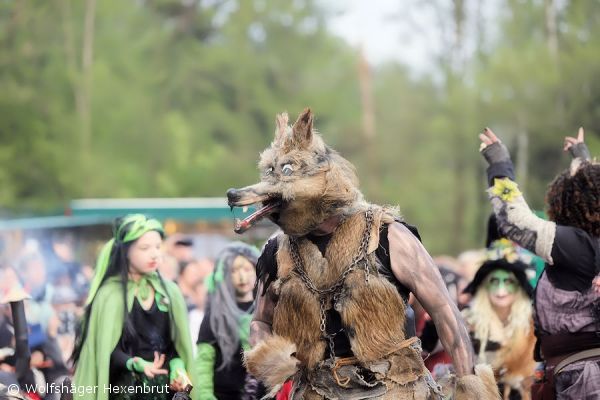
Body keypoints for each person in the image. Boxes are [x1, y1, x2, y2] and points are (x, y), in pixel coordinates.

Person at [226, 109, 499, 399]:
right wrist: (270, 356)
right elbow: (261, 320)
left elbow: (444, 311)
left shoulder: (386, 235)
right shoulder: (278, 252)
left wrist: (470, 387)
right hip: (315, 390)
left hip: (395, 389)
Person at [479, 127, 600, 399]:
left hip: (587, 382)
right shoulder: (588, 243)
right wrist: (582, 158)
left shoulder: (578, 246)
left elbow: (515, 222)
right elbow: (590, 189)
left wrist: (499, 163)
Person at [72, 214, 196, 400]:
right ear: (126, 251)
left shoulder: (170, 292)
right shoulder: (109, 295)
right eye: (145, 248)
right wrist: (135, 364)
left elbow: (176, 348)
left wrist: (177, 367)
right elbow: (104, 352)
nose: (154, 254)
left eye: (158, 247)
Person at [462, 239, 537, 399]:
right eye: (494, 281)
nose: (501, 290)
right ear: (485, 285)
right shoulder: (468, 322)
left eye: (508, 281)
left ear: (519, 286)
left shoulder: (533, 325)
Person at [195, 242, 261, 400]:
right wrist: (205, 395)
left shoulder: (266, 311)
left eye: (247, 269)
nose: (242, 277)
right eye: (234, 271)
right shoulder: (215, 315)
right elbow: (204, 361)